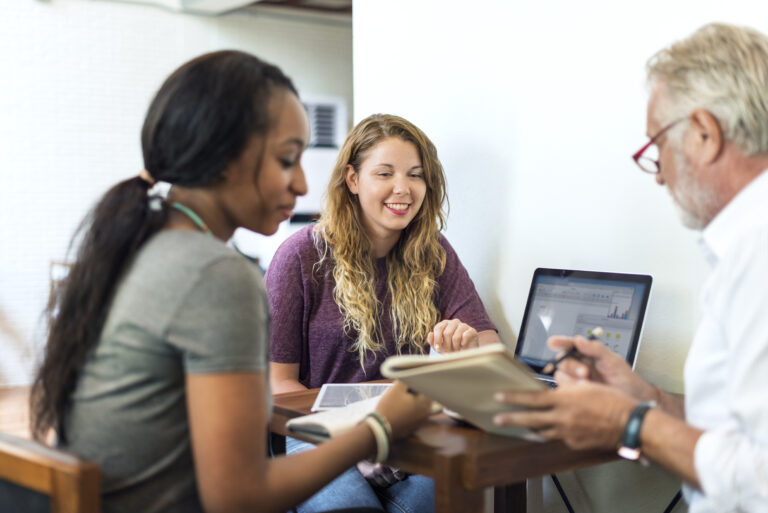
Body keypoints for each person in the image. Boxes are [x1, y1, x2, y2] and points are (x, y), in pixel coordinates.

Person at [29, 50, 432, 513]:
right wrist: (380, 427)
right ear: (223, 157)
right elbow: (239, 496)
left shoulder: (136, 245)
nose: (302, 184)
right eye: (286, 160)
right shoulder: (217, 275)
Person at [493, 22, 768, 512]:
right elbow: (736, 430)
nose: (658, 172)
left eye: (656, 145)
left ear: (705, 133)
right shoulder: (739, 248)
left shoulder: (757, 252)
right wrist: (647, 400)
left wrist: (629, 423)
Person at [266, 113, 502, 512]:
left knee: (461, 494)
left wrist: (464, 351)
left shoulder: (434, 252)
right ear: (353, 180)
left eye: (415, 174)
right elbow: (278, 385)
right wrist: (354, 440)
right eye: (385, 173)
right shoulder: (301, 256)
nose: (403, 189)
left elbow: (492, 352)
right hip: (315, 435)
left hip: (407, 434)